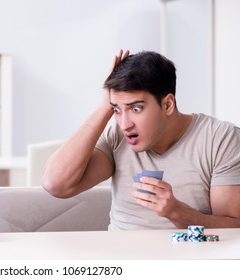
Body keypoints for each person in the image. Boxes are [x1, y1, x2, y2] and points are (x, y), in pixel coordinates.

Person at [43, 50, 240, 230]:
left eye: (136, 109)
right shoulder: (117, 136)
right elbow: (56, 184)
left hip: (188, 262)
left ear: (168, 104)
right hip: (122, 262)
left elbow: (234, 228)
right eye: (117, 110)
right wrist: (105, 106)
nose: (125, 124)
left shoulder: (220, 139)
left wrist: (177, 212)